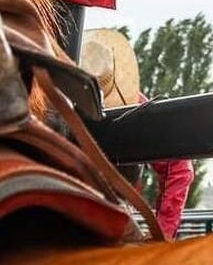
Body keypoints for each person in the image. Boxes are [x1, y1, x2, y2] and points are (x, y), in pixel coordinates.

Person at [80, 28, 193, 240]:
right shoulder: (136, 106)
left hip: (110, 217)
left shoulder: (136, 107)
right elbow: (178, 167)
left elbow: (177, 167)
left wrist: (163, 230)